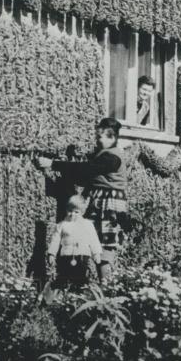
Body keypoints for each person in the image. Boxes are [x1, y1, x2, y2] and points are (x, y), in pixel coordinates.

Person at [38, 117, 131, 282]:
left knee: (104, 243)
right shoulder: (104, 155)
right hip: (100, 201)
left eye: (99, 137)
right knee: (90, 237)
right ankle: (89, 282)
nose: (96, 140)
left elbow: (85, 170)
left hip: (108, 203)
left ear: (112, 138)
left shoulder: (112, 157)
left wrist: (53, 164)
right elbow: (84, 175)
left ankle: (106, 286)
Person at [46, 194, 102, 289]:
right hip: (65, 256)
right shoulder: (62, 224)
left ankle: (79, 293)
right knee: (64, 276)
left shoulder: (87, 225)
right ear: (66, 210)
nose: (72, 214)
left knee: (80, 277)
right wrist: (52, 254)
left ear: (82, 212)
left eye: (76, 212)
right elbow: (55, 240)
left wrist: (96, 253)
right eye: (70, 211)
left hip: (82, 256)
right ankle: (63, 294)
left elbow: (93, 239)